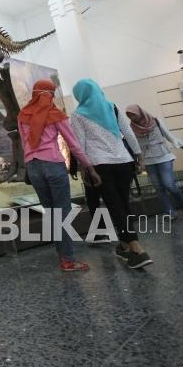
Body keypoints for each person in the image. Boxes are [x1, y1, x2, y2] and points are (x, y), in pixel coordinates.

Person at [18, 79, 101, 271]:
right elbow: (73, 144)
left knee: (51, 213)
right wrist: (89, 167)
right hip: (53, 165)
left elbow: (24, 143)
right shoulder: (56, 114)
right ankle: (67, 260)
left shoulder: (23, 115)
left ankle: (62, 252)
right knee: (61, 213)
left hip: (33, 166)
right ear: (50, 94)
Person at [70, 79, 153, 269]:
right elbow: (128, 134)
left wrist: (85, 169)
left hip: (100, 165)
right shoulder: (112, 107)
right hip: (124, 162)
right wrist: (139, 157)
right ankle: (124, 247)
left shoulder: (77, 115)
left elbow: (79, 145)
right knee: (123, 204)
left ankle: (137, 249)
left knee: (115, 206)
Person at [125, 104, 183, 220]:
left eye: (133, 114)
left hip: (164, 156)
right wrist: (137, 161)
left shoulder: (155, 121)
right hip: (147, 160)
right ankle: (170, 212)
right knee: (158, 187)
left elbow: (169, 136)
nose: (132, 118)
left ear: (140, 112)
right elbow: (134, 145)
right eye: (129, 116)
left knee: (169, 184)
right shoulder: (131, 127)